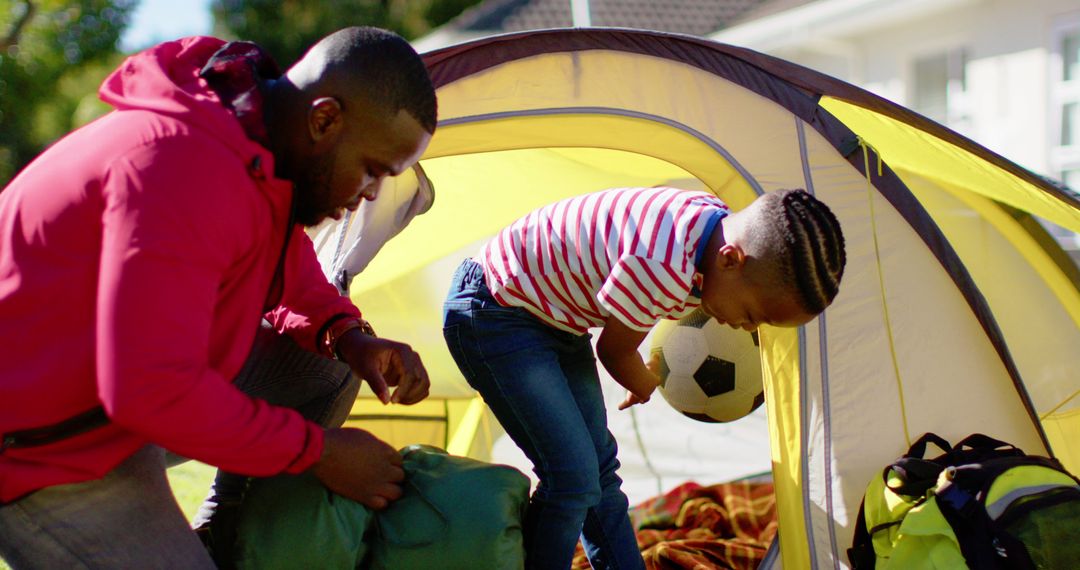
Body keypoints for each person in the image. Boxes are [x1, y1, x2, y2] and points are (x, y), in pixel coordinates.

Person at [0, 26, 436, 569]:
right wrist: (318, 453)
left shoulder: (253, 148)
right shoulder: (180, 165)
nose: (369, 193)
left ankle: (225, 536)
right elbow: (151, 388)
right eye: (372, 170)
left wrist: (348, 336)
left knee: (328, 367)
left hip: (108, 408)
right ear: (325, 119)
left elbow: (289, 265)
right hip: (35, 446)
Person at [442, 185, 847, 569]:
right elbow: (614, 352)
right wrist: (645, 381)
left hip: (556, 318)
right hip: (495, 311)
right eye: (752, 315)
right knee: (570, 478)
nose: (744, 327)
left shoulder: (711, 230)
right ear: (729, 259)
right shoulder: (663, 265)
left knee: (598, 473)